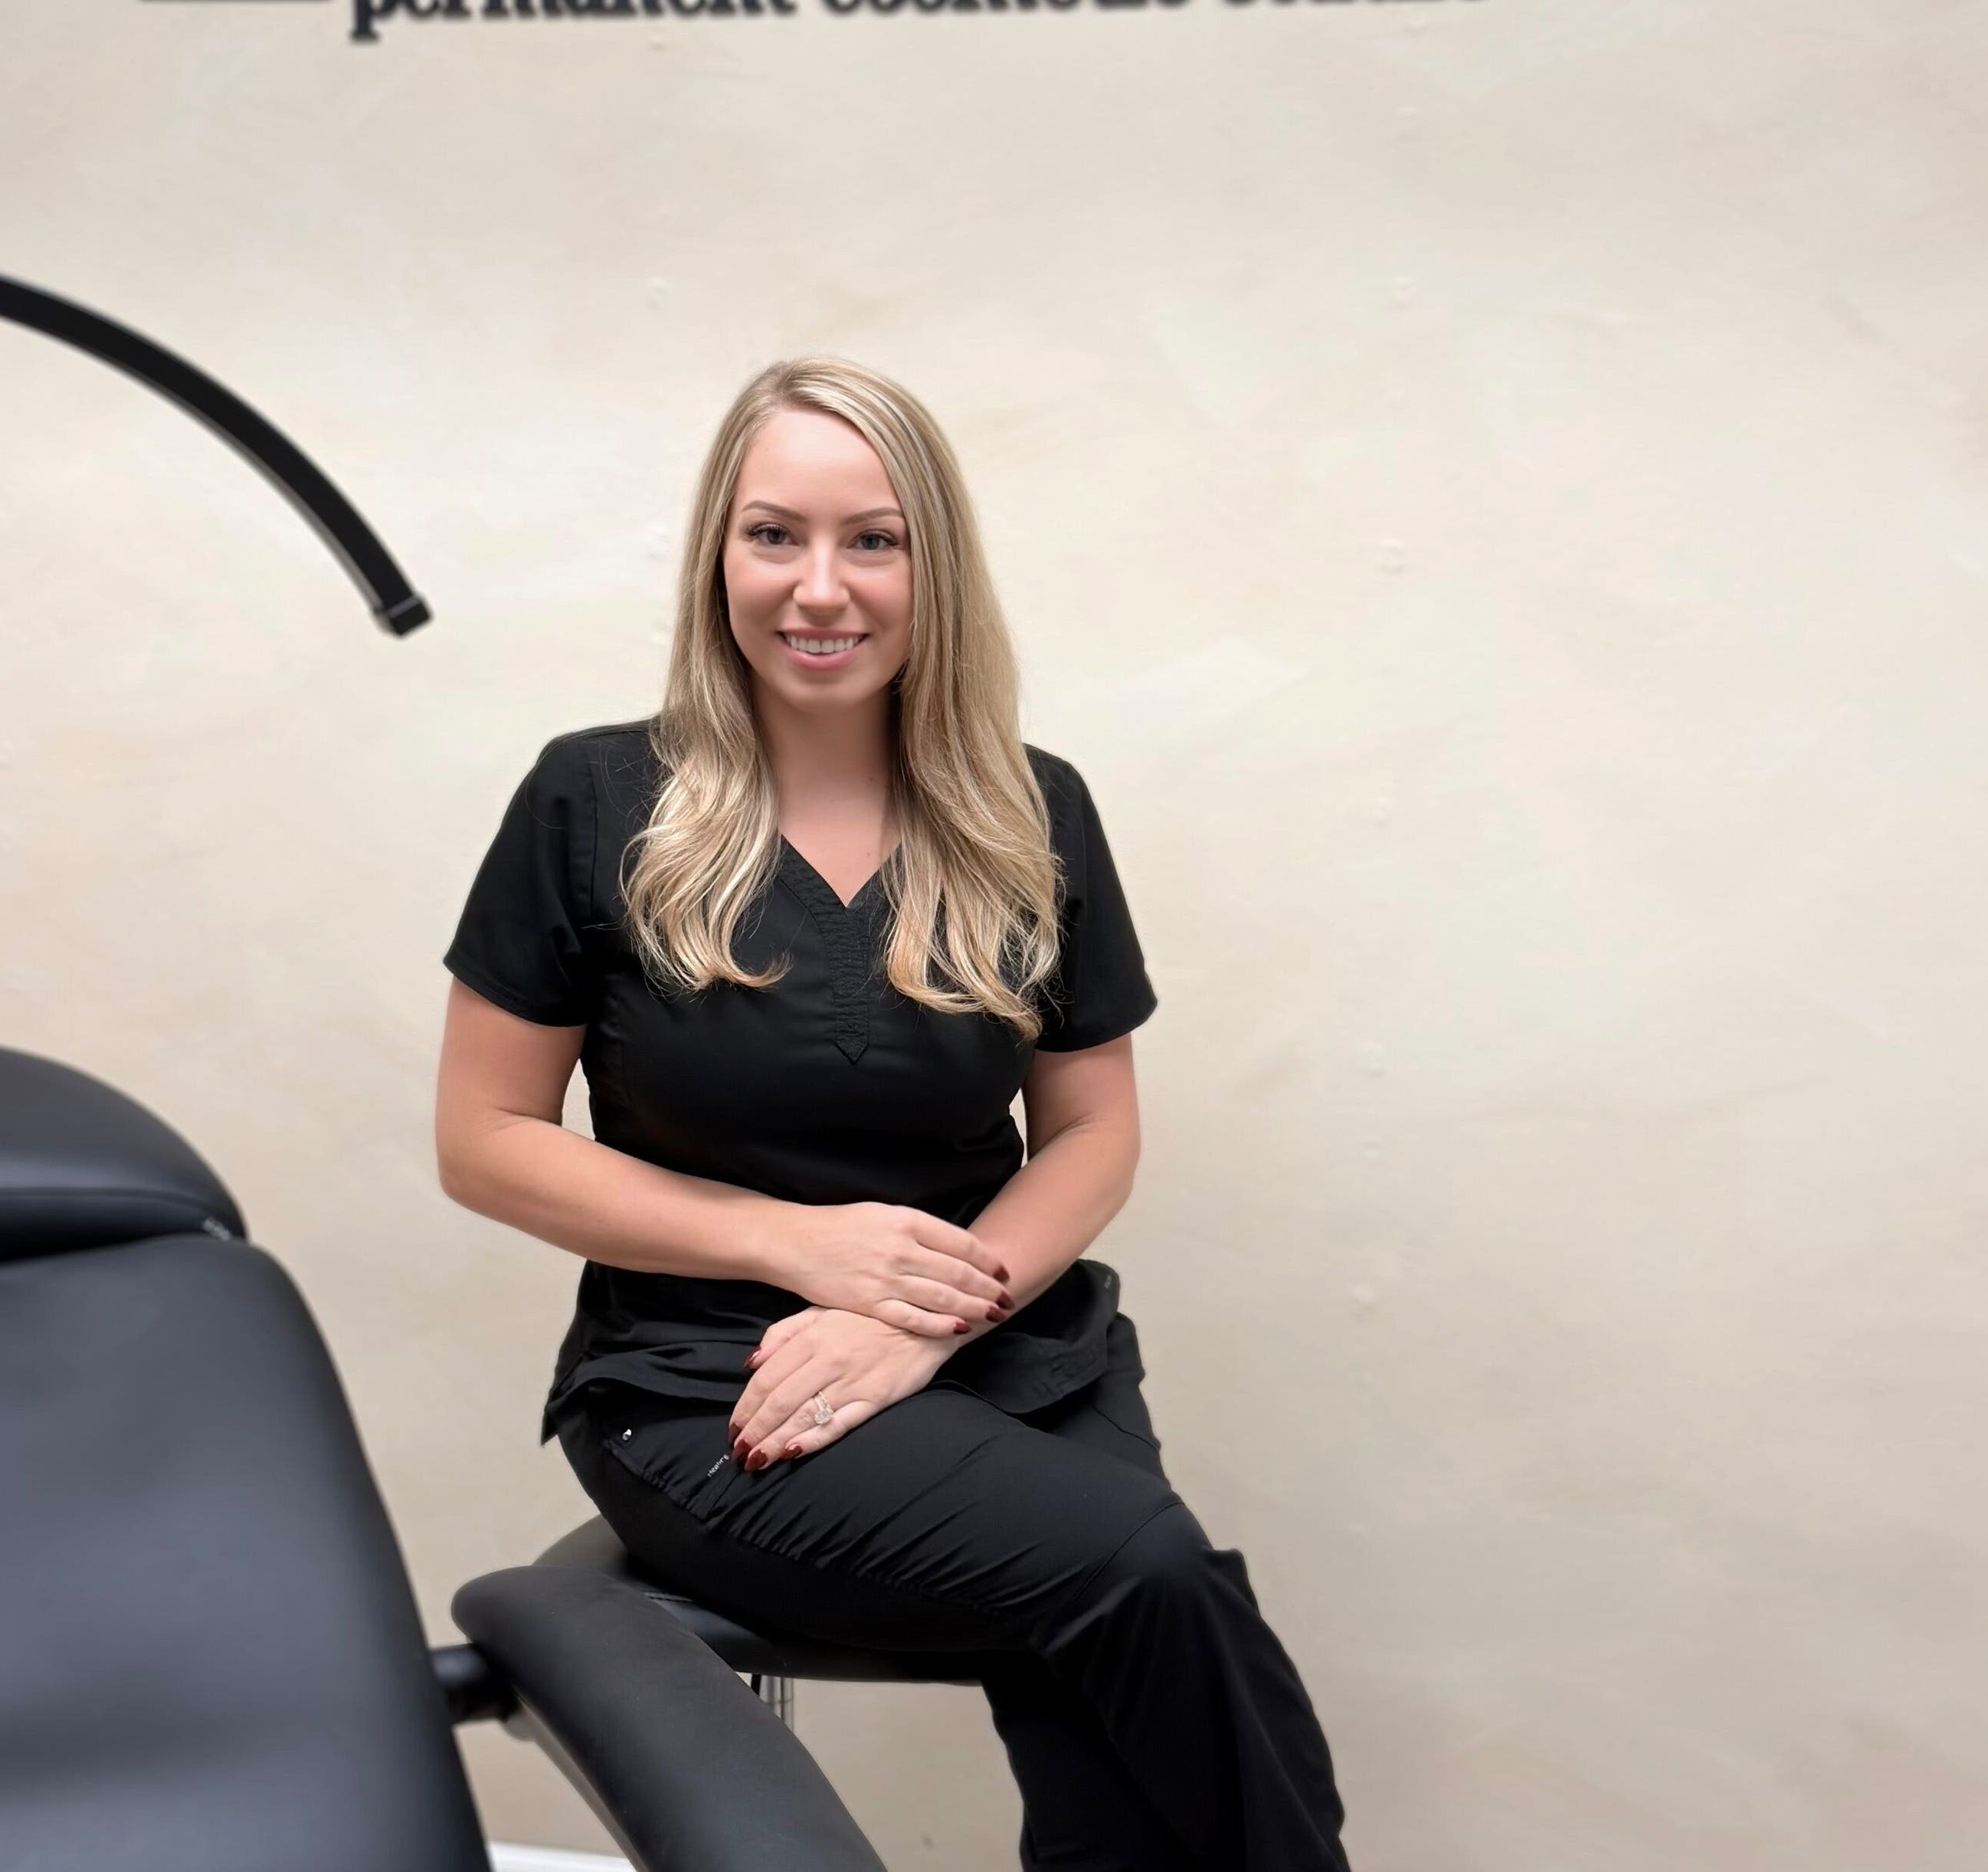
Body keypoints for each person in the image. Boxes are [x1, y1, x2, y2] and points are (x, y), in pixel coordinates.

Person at [434, 356, 1352, 1870]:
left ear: (934, 561)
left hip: (1003, 1339)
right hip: (710, 1381)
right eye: (773, 533)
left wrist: (924, 1316)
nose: (821, 586)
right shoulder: (592, 802)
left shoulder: (1029, 806)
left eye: (874, 538)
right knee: (1143, 1567)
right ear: (714, 555)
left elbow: (1092, 1133)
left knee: (1112, 1672)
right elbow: (484, 1138)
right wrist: (803, 1251)